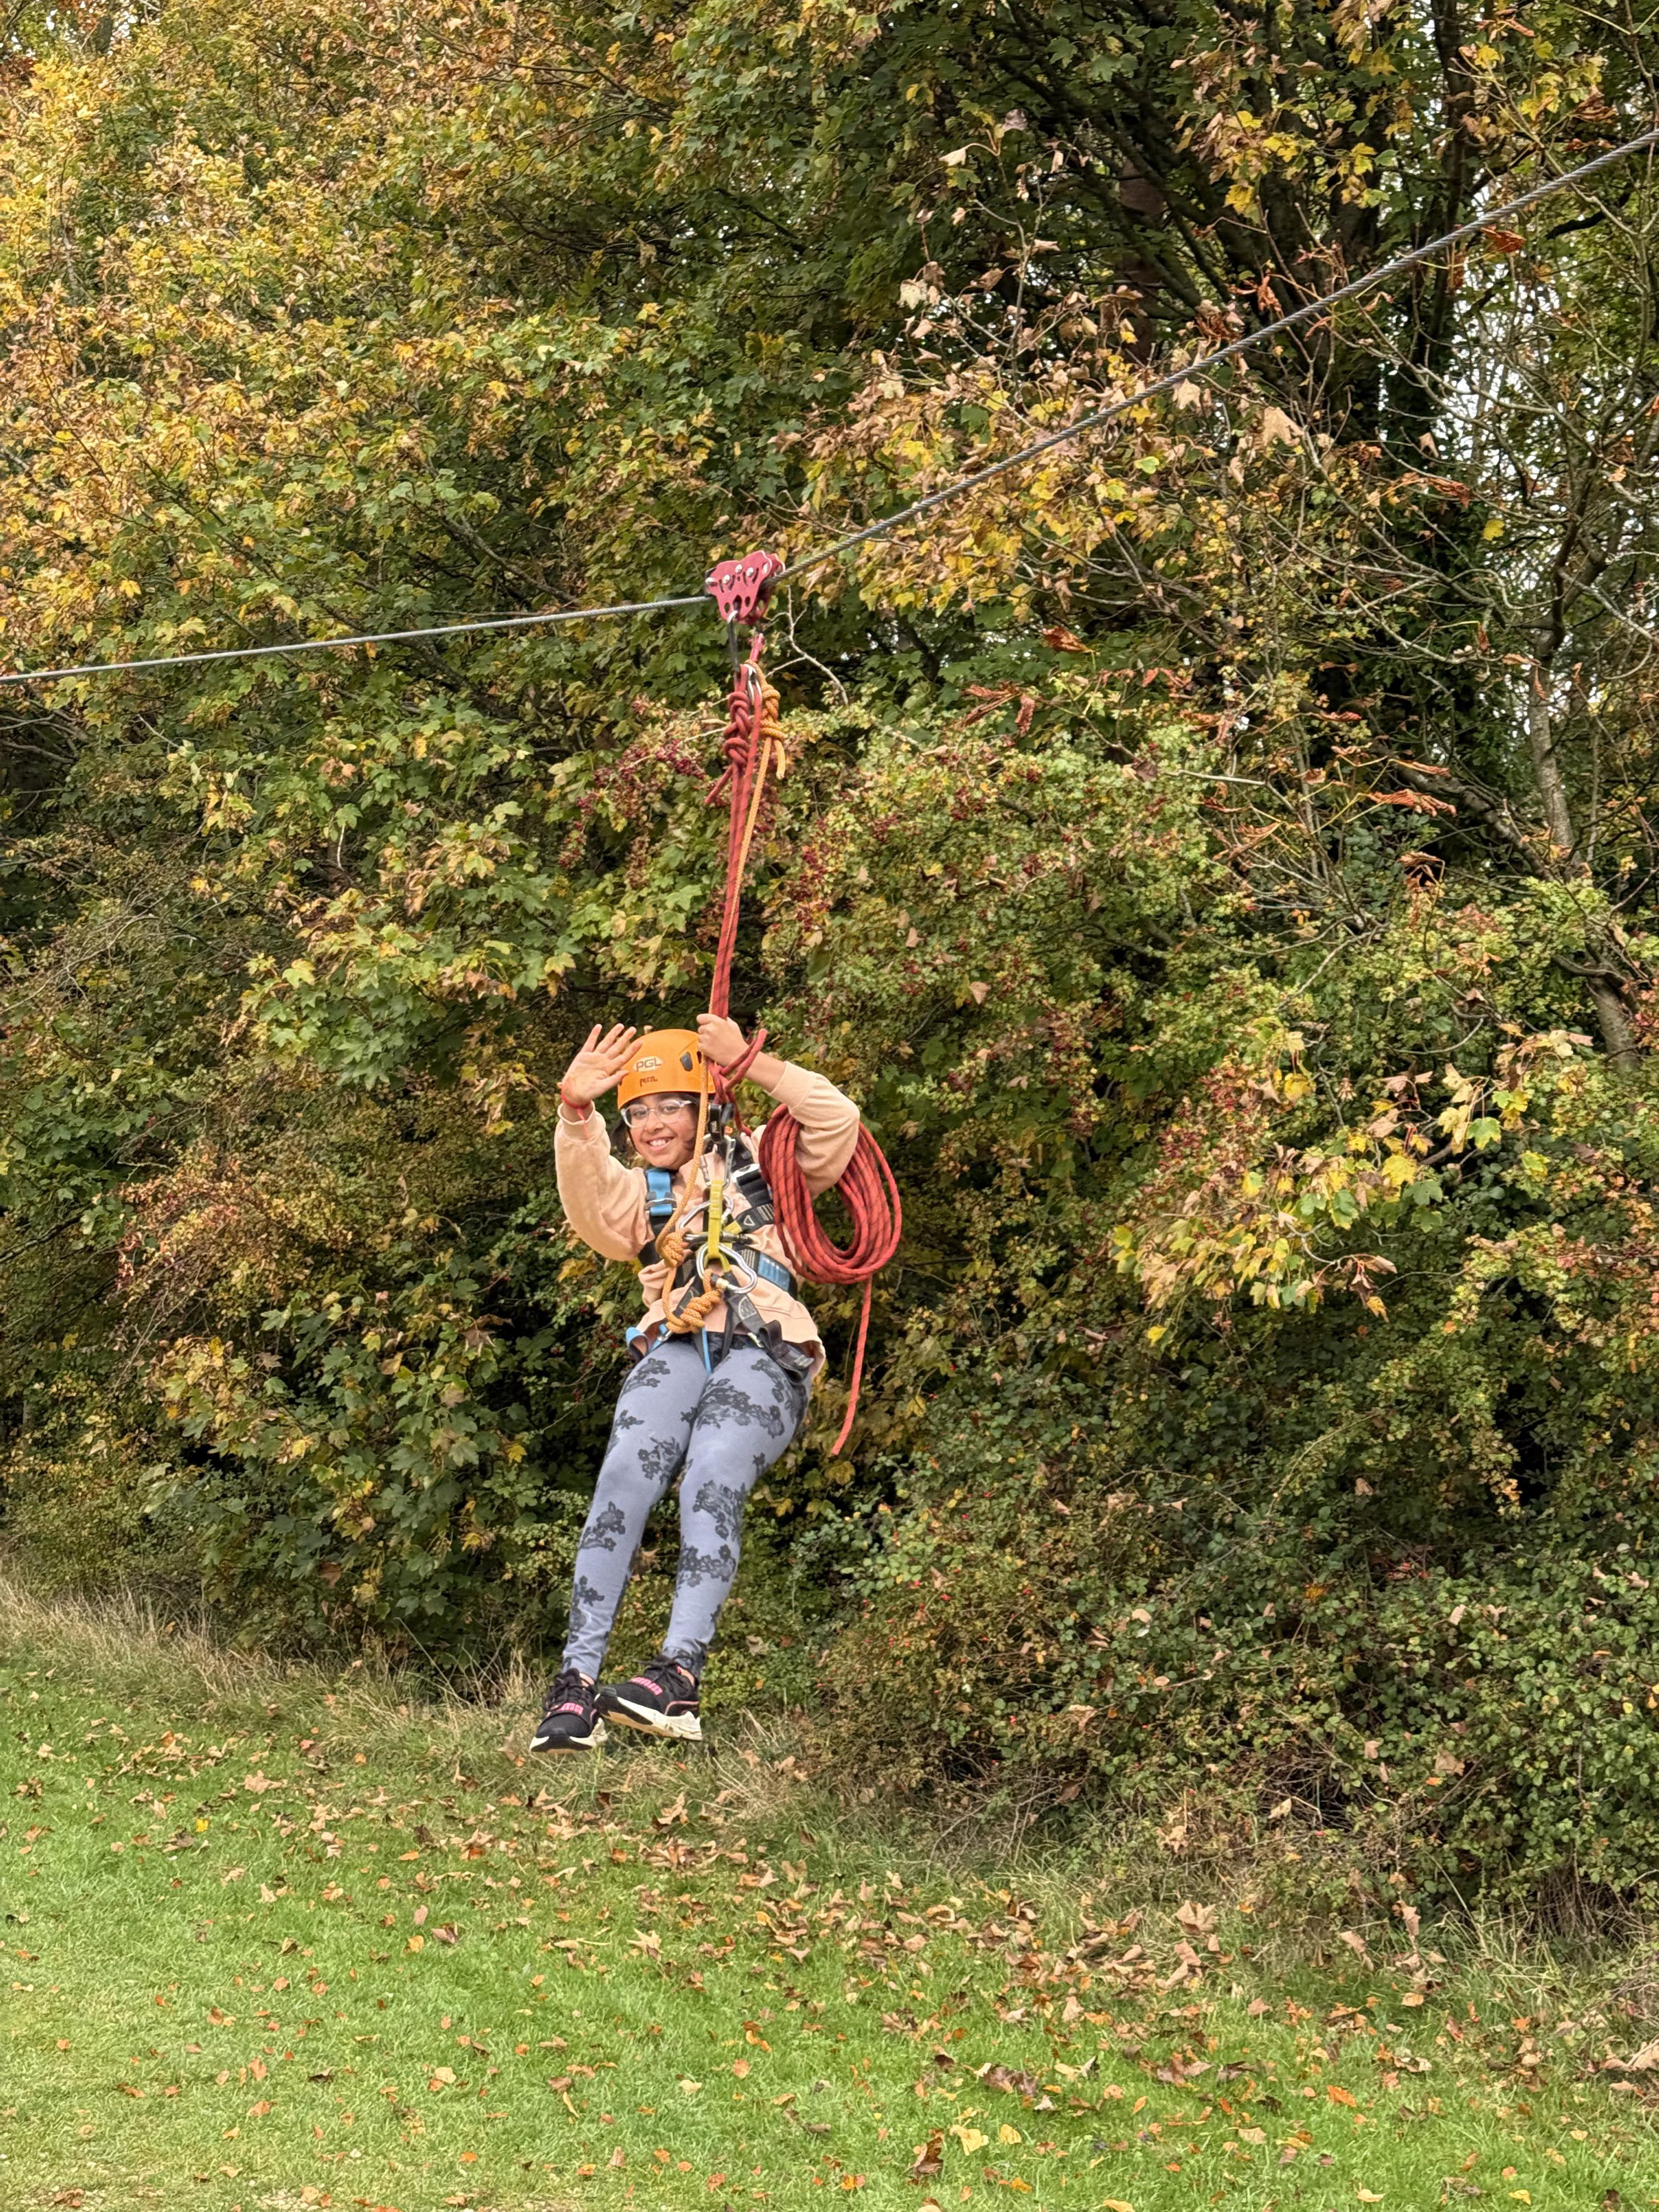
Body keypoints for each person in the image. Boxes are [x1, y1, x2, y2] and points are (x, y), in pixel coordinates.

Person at [529, 1011, 860, 1752]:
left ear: (707, 1106)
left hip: (765, 1343)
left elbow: (837, 1119)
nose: (652, 1125)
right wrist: (575, 1111)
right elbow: (587, 1202)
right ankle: (576, 1685)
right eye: (638, 1113)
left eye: (670, 1106)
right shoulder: (646, 1196)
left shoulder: (767, 1158)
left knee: (712, 1473)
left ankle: (678, 1676)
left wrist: (750, 1063)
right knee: (623, 1475)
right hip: (679, 1338)